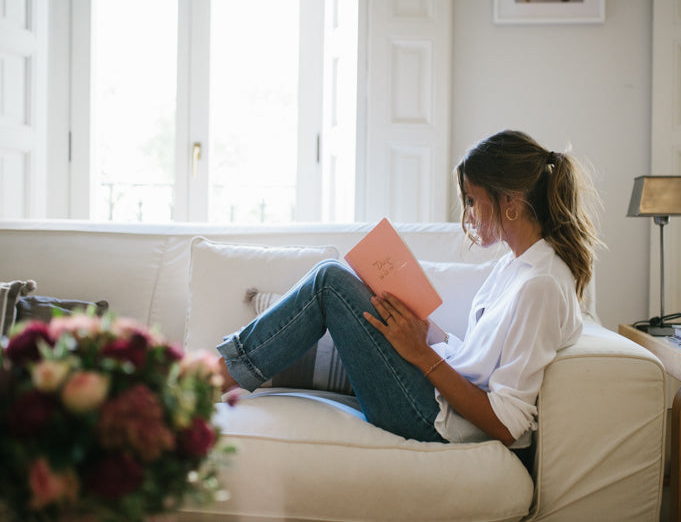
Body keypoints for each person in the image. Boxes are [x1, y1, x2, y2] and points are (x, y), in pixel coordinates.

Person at [216, 129, 601, 453]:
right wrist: (423, 330)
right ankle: (222, 372)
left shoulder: (541, 285)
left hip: (435, 421)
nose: (466, 215)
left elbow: (508, 423)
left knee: (329, 282)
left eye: (471, 200)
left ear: (511, 201)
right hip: (435, 399)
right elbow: (478, 363)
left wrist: (421, 355)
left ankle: (214, 377)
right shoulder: (516, 265)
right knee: (340, 283)